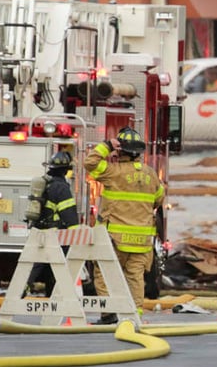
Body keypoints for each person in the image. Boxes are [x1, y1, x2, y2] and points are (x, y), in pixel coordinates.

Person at [84, 127, 164, 324]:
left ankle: (109, 313)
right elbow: (159, 199)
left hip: (115, 239)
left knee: (104, 273)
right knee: (135, 278)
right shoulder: (151, 174)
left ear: (120, 151)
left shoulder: (113, 172)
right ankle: (134, 315)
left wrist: (106, 146)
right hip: (142, 241)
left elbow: (89, 162)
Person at [25, 150, 80, 297]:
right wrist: (77, 234)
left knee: (37, 264)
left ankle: (22, 288)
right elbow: (68, 212)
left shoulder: (45, 183)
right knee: (60, 265)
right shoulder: (61, 187)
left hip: (39, 229)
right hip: (55, 234)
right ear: (66, 170)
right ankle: (60, 294)